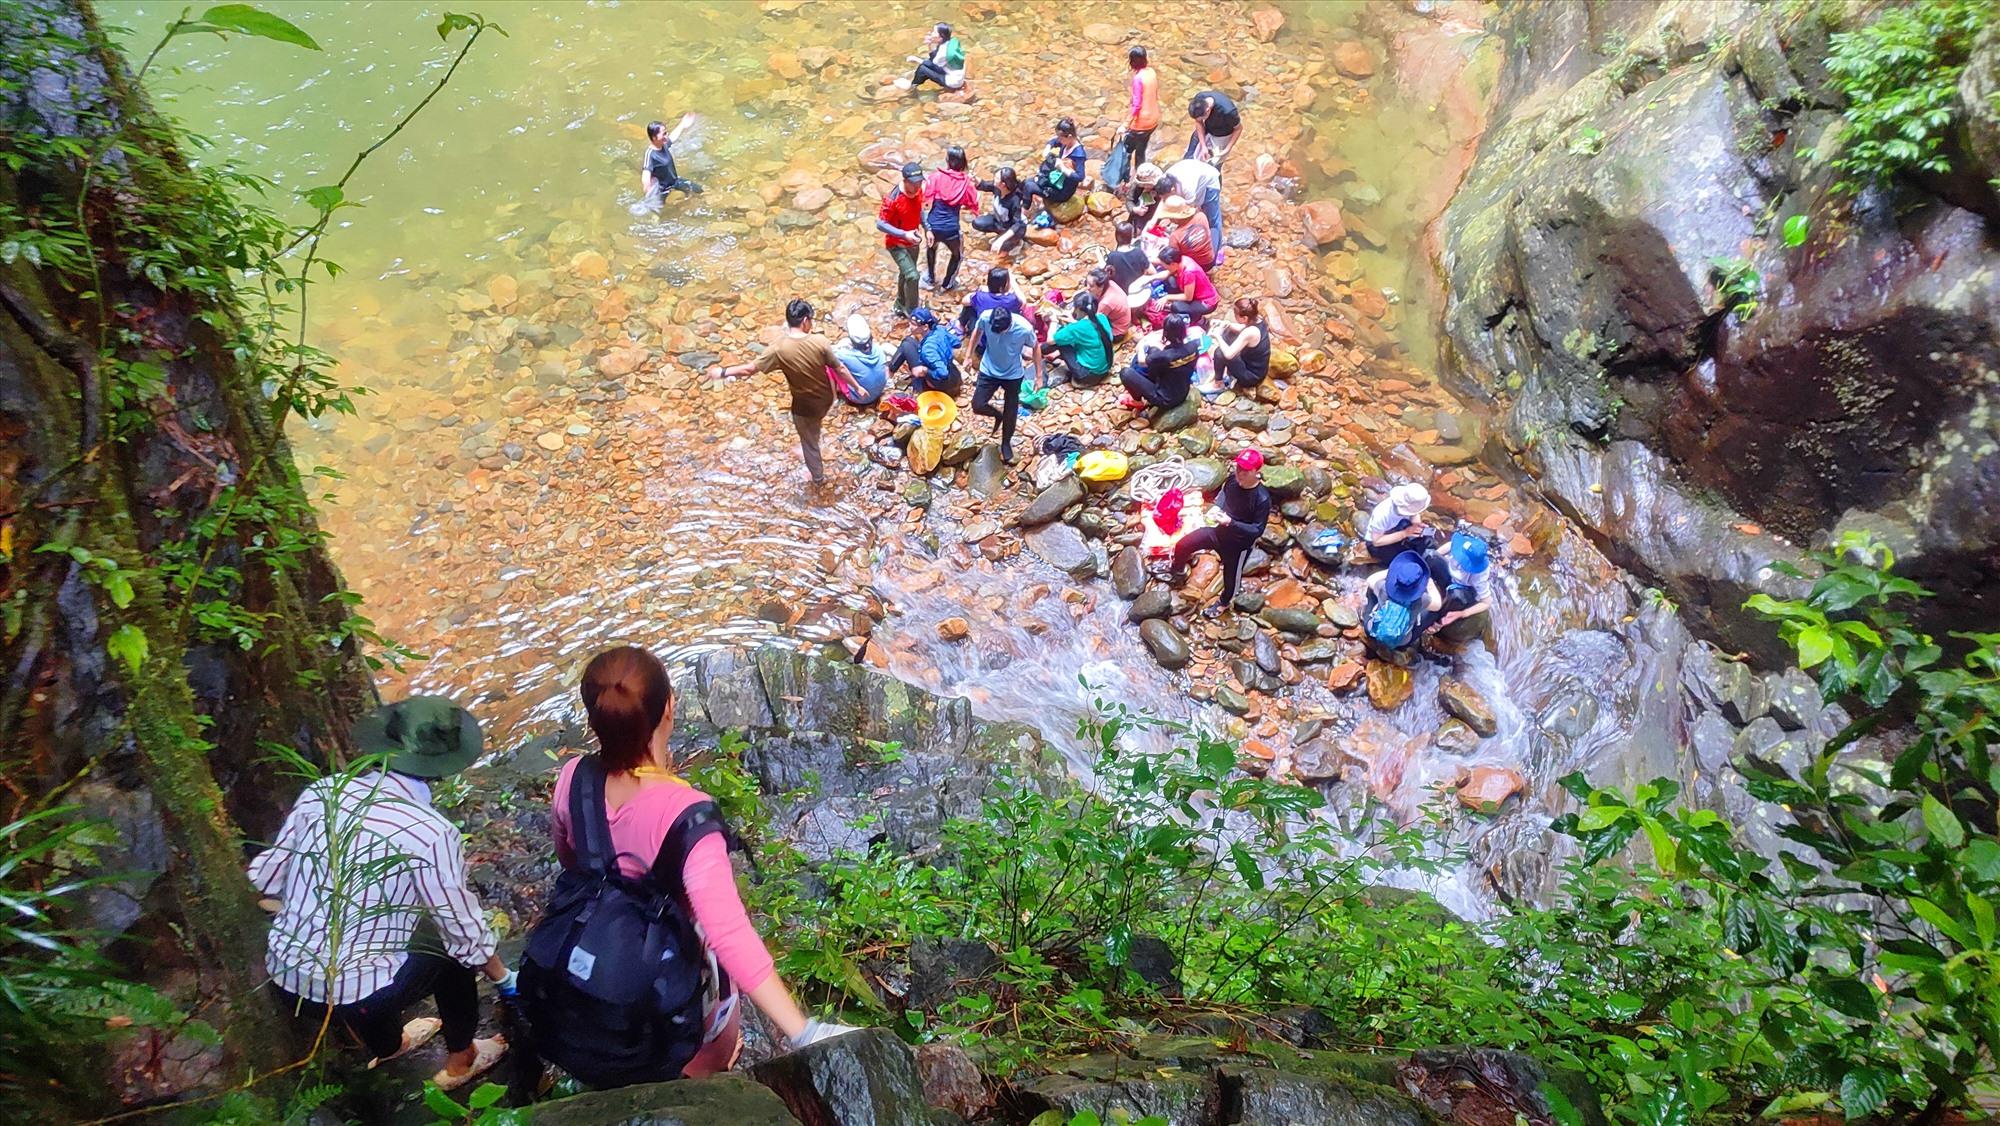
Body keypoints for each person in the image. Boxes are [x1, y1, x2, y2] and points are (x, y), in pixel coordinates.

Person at [549, 647, 853, 1079]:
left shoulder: (571, 777)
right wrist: (804, 1031)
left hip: (592, 962)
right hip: (670, 976)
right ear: (669, 709)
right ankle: (702, 1076)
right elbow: (728, 935)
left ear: (594, 719)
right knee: (708, 1039)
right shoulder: (688, 816)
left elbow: (569, 858)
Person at [249, 697, 512, 1091]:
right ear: (442, 768)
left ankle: (390, 1045)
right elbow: (466, 937)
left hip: (287, 983)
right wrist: (504, 978)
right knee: (449, 953)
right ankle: (462, 1059)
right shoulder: (432, 832)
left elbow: (266, 879)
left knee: (371, 952)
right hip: (354, 996)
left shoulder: (322, 792)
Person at [718, 298, 838, 486]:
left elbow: (749, 369)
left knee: (808, 439)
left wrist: (723, 372)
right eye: (812, 320)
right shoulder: (820, 341)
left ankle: (818, 478)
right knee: (813, 427)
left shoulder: (779, 348)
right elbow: (837, 369)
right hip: (827, 398)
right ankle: (810, 442)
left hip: (804, 407)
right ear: (805, 321)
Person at [1169, 448, 1272, 616]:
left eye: (1245, 471)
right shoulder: (1232, 479)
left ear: (1256, 471)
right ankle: (1178, 569)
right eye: (1238, 468)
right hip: (1219, 532)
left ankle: (1224, 603)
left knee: (1231, 579)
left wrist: (1231, 523)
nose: (1240, 473)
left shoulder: (1262, 499)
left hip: (1238, 546)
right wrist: (1217, 507)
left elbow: (1257, 530)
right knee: (1183, 544)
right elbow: (1224, 493)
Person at [967, 306, 1040, 463]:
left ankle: (1006, 442)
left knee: (1011, 409)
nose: (997, 332)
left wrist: (1038, 376)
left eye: (1000, 330)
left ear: (1009, 325)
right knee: (977, 404)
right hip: (989, 369)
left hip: (1013, 374)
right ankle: (997, 415)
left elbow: (1036, 346)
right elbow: (977, 332)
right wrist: (968, 355)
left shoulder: (1024, 328)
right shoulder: (986, 317)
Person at [1363, 550, 1444, 663]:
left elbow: (1370, 580)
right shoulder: (1421, 599)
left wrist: (1390, 571)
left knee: (1371, 590)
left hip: (1372, 631)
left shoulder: (1383, 588)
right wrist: (1430, 585)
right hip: (1402, 641)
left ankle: (1367, 614)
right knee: (1434, 612)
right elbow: (1437, 605)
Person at [923, 146, 978, 291]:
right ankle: (947, 284)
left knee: (931, 248)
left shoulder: (935, 177)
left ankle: (930, 278)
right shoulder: (966, 183)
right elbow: (973, 202)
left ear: (947, 161)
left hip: (932, 225)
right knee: (957, 255)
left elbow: (926, 197)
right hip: (951, 229)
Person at [1120, 312, 1200, 411]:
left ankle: (1137, 401)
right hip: (1183, 390)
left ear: (1166, 334)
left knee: (1126, 373)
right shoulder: (1194, 346)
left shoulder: (1163, 356)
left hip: (1165, 399)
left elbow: (1142, 361)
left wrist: (1141, 346)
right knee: (1153, 350)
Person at [1427, 530, 1495, 643]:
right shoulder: (1460, 546)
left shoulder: (1479, 576)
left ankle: (1437, 622)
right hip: (1448, 574)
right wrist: (1436, 558)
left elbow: (1486, 602)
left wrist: (1463, 613)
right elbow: (1449, 546)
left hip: (1461, 587)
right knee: (1431, 555)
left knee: (1456, 596)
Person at [875, 163, 924, 317]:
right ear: (905, 181)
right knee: (913, 276)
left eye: (919, 182)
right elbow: (880, 223)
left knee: (905, 274)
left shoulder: (918, 192)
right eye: (914, 183)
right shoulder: (893, 199)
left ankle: (900, 304)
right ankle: (913, 311)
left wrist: (928, 228)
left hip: (913, 241)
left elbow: (919, 210)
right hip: (896, 244)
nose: (917, 186)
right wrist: (903, 234)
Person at [1041, 291, 1115, 386]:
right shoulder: (1102, 317)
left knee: (1059, 342)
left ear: (1079, 309)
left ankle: (1040, 352)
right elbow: (1089, 328)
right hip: (1105, 367)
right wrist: (1073, 321)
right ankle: (1045, 353)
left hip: (1088, 374)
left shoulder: (1077, 328)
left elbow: (1050, 340)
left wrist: (1053, 321)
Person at [888, 307, 963, 397]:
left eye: (914, 324)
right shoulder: (940, 329)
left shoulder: (928, 350)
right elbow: (957, 343)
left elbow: (943, 373)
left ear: (925, 327)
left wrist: (925, 370)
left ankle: (888, 374)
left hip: (941, 386)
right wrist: (943, 347)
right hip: (954, 375)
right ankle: (890, 371)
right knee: (909, 341)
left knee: (906, 344)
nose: (910, 327)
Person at [1167, 156, 1226, 266]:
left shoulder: (1187, 188)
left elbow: (1191, 208)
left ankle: (1219, 249)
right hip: (1197, 176)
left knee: (1213, 219)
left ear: (1173, 189)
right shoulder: (1166, 179)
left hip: (1210, 181)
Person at [1135, 245, 1218, 322]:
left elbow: (1188, 297)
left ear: (1173, 264)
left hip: (1206, 302)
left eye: (1165, 266)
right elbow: (1167, 273)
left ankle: (1196, 319)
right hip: (1193, 292)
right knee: (1170, 279)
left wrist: (1167, 297)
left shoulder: (1189, 272)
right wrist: (1150, 278)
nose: (1164, 267)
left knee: (1176, 306)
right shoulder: (1181, 260)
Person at [1363, 482, 1436, 563]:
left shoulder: (1410, 504)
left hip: (1398, 527)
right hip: (1378, 541)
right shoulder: (1382, 514)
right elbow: (1376, 542)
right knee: (1405, 560)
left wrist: (1416, 524)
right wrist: (1405, 533)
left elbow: (1414, 513)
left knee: (1426, 540)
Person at [1118, 46, 1162, 176]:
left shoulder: (1138, 79)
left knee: (1126, 150)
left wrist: (1125, 125)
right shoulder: (1151, 72)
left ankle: (1123, 179)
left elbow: (1137, 106)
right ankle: (1141, 176)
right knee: (1141, 150)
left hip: (1141, 124)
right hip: (1153, 121)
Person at [830, 314, 889, 406]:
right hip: (879, 391)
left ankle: (834, 398)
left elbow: (829, 352)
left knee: (830, 365)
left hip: (861, 398)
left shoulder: (844, 355)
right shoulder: (878, 349)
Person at [1211, 297, 1268, 390]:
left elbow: (1229, 355)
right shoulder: (1258, 319)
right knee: (1229, 333)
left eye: (1236, 315)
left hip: (1252, 376)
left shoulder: (1251, 332)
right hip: (1257, 368)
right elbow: (1241, 328)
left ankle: (1218, 384)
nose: (1234, 317)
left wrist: (1217, 336)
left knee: (1219, 352)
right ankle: (1226, 371)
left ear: (1245, 318)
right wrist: (1226, 324)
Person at [971, 165, 1030, 252]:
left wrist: (1000, 240)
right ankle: (1001, 233)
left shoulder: (1014, 201)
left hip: (1013, 228)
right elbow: (984, 185)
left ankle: (1016, 241)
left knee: (1000, 250)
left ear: (1003, 184)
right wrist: (975, 179)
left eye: (996, 178)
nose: (994, 179)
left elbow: (1017, 224)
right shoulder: (997, 188)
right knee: (977, 223)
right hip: (999, 222)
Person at [642, 115, 702, 199]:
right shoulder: (650, 154)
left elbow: (673, 137)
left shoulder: (663, 144)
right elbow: (645, 176)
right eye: (664, 134)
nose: (666, 136)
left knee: (699, 190)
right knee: (666, 211)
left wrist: (682, 124)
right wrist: (649, 194)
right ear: (654, 138)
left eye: (666, 133)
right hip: (662, 190)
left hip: (674, 181)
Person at [1154, 194, 1216, 269]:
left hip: (1196, 266)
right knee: (1214, 231)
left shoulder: (1175, 236)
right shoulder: (1201, 216)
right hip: (1210, 259)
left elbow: (1173, 259)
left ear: (1175, 218)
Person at [899, 22, 966, 91]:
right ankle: (917, 79)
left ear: (941, 37)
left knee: (922, 69)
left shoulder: (943, 52)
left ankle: (912, 87)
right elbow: (933, 59)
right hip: (957, 75)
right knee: (925, 63)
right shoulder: (949, 42)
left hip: (953, 82)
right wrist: (930, 44)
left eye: (934, 32)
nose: (932, 33)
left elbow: (932, 64)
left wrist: (915, 59)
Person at [1184, 90, 1242, 166]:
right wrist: (1203, 145)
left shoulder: (1228, 112)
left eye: (1201, 118)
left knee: (1213, 165)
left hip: (1222, 135)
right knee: (1189, 158)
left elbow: (1238, 129)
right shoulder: (1200, 99)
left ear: (1208, 110)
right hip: (1207, 128)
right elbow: (1198, 122)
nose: (1199, 120)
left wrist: (1227, 149)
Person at [1085, 266, 1132, 340]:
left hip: (1118, 332)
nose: (1087, 287)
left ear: (1101, 287)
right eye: (1086, 283)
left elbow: (1095, 322)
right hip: (1123, 320)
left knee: (1088, 334)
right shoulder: (1110, 283)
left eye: (1091, 286)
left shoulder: (1105, 303)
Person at [1105, 220, 1151, 294]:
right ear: (1131, 236)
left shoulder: (1112, 256)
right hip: (1137, 291)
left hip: (1121, 293)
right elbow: (1152, 272)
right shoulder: (1138, 253)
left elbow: (1108, 275)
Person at [1124, 162, 1165, 228]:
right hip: (1140, 210)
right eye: (1143, 185)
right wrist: (1135, 209)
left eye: (1148, 184)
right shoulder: (1136, 184)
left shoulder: (1163, 184)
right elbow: (1129, 200)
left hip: (1157, 213)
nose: (1145, 186)